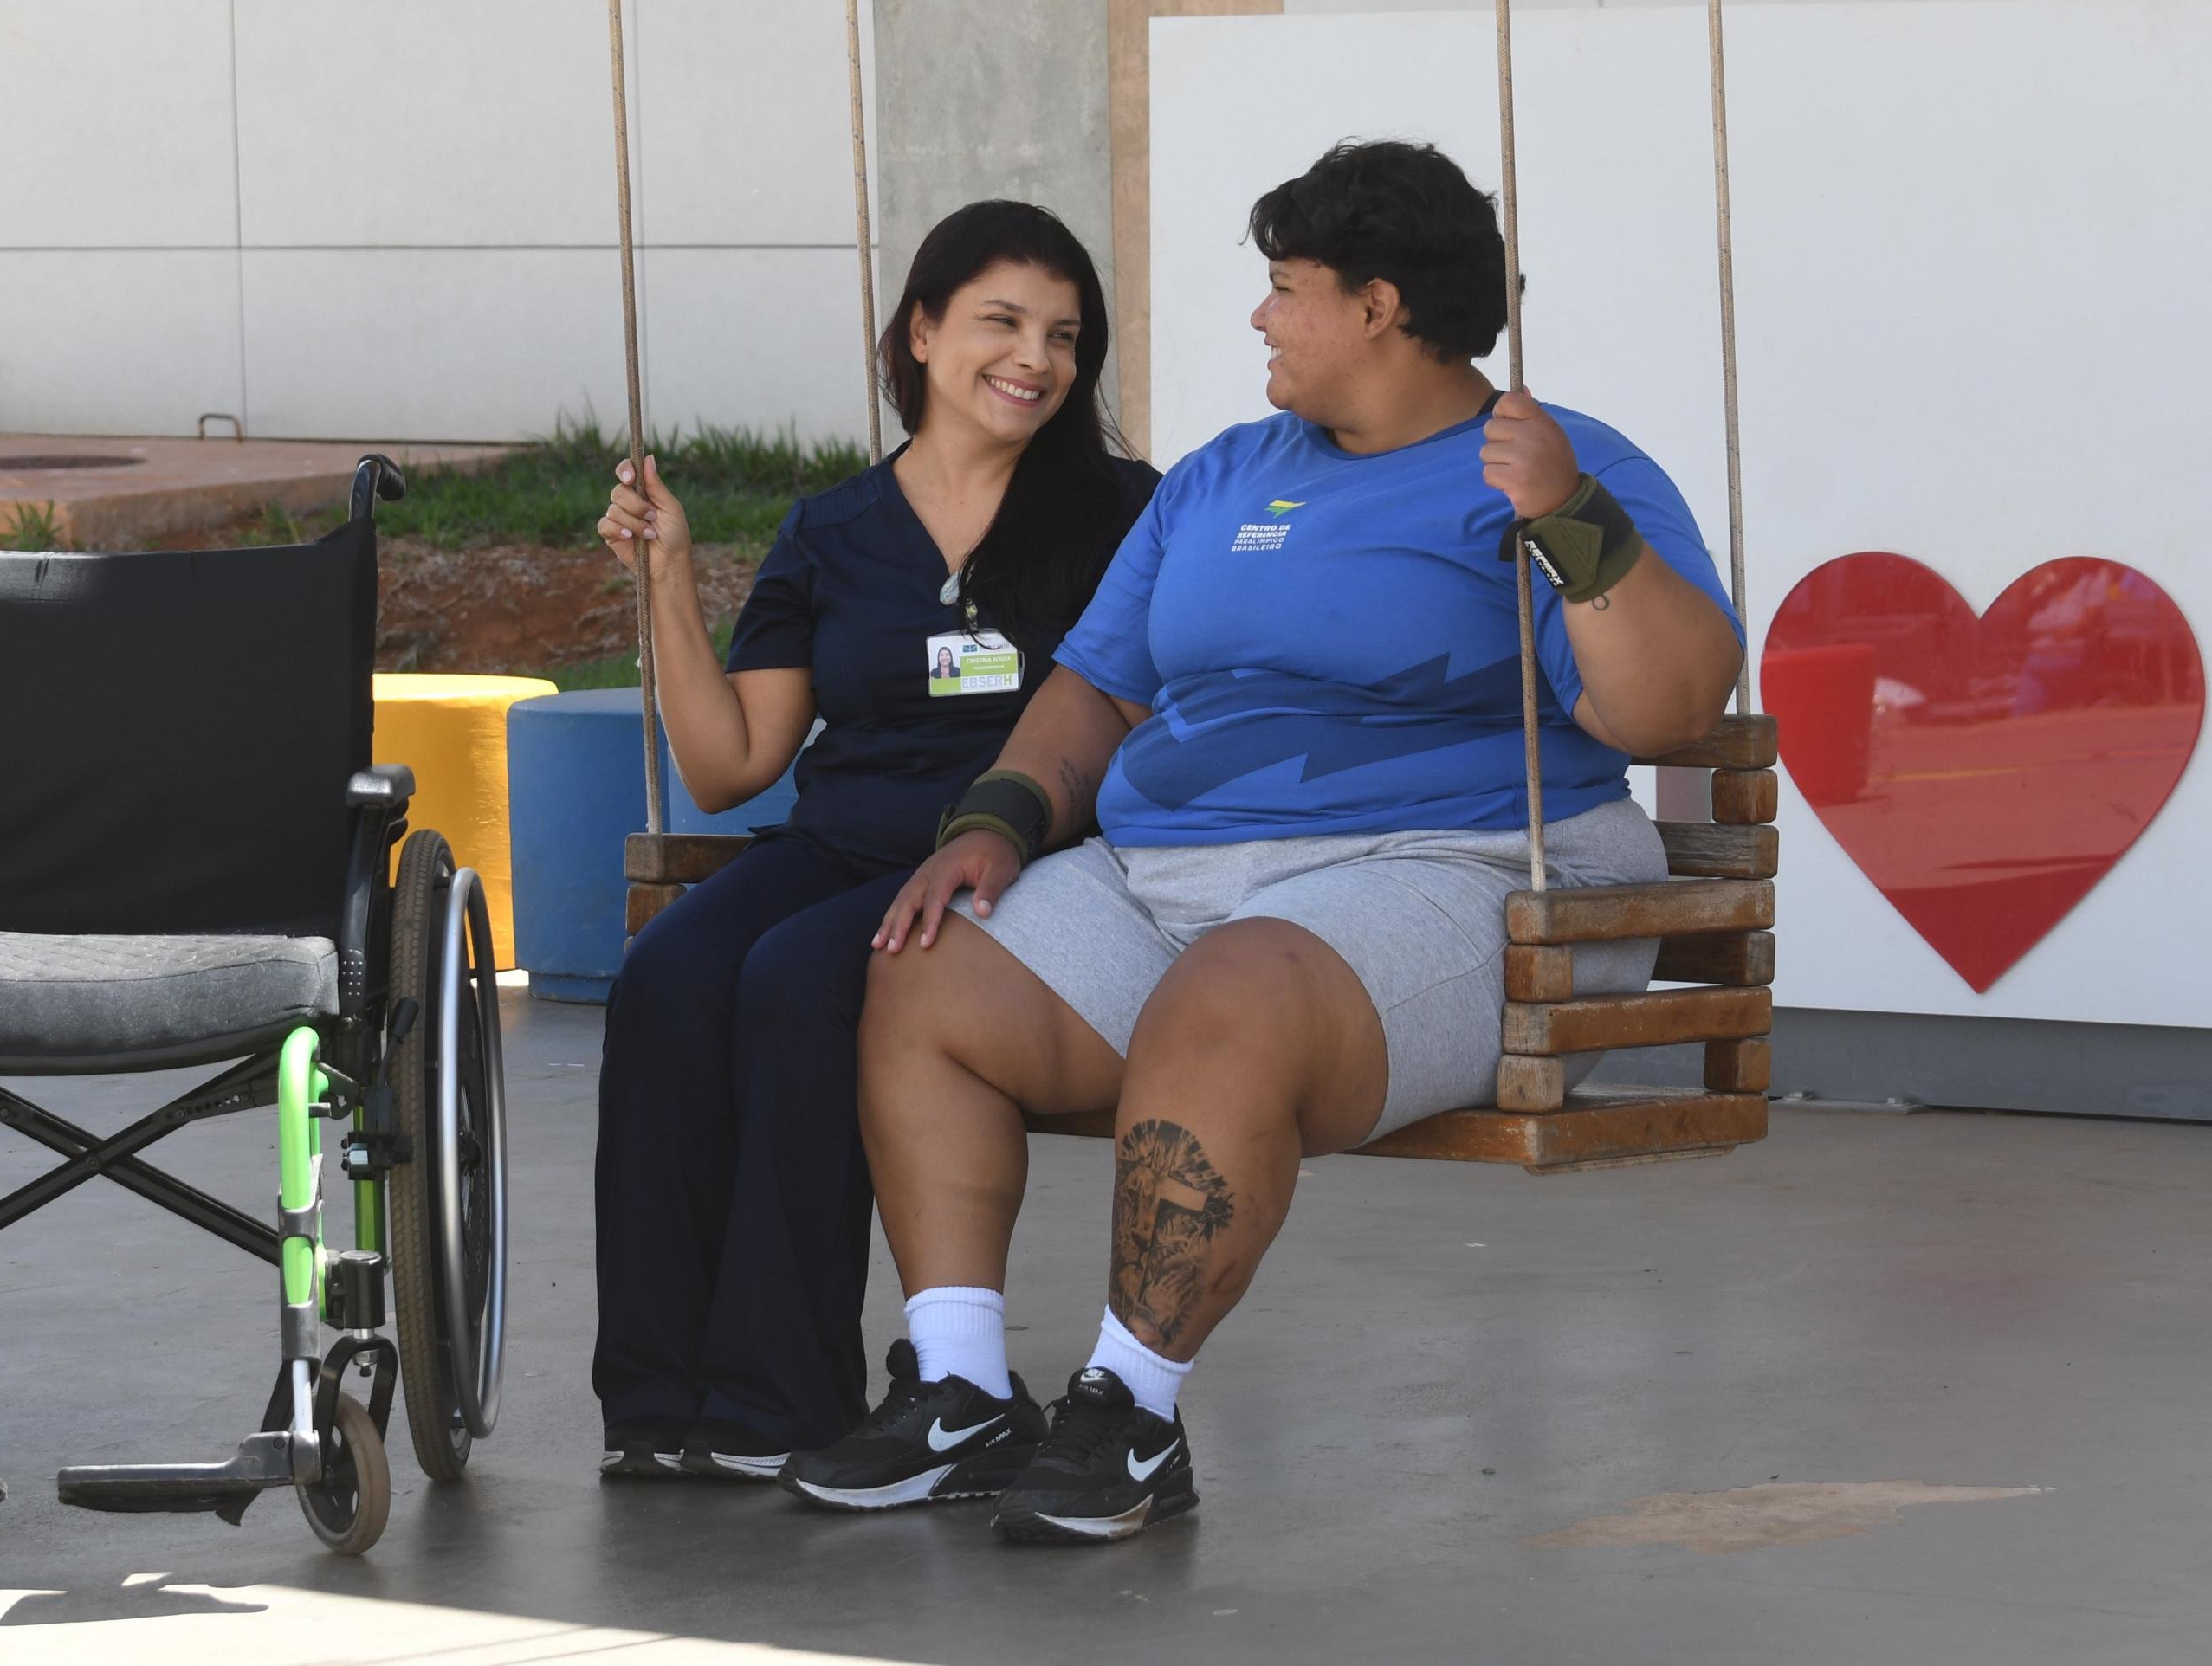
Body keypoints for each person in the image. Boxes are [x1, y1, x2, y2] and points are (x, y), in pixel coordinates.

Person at [779, 140, 1744, 1540]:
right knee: (928, 970)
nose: (1259, 317)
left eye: (1285, 288)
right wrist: (994, 823)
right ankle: (962, 1389)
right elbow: (1100, 685)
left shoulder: (1558, 463)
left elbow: (1662, 707)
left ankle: (1128, 1413)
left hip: (1455, 870)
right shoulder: (1224, 475)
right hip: (1176, 876)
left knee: (1231, 998)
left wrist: (1570, 520)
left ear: (1378, 307)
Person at [590, 201, 1161, 1481]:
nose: (1038, 359)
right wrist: (669, 582)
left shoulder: (1121, 511)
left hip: (1023, 861)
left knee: (801, 980)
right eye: (1003, 322)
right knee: (672, 974)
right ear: (922, 330)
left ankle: (773, 1401)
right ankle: (652, 1395)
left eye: (1066, 336)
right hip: (839, 841)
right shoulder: (834, 528)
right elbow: (733, 764)